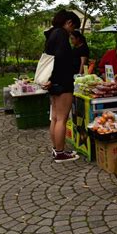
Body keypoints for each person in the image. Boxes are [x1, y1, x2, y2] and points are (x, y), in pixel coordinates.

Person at [42, 9, 81, 163]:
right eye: (74, 28)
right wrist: (56, 79)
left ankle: (56, 148)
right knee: (62, 119)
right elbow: (60, 59)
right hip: (62, 82)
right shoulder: (61, 35)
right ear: (69, 23)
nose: (72, 32)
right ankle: (60, 152)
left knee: (55, 118)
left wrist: (51, 79)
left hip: (53, 82)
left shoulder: (51, 34)